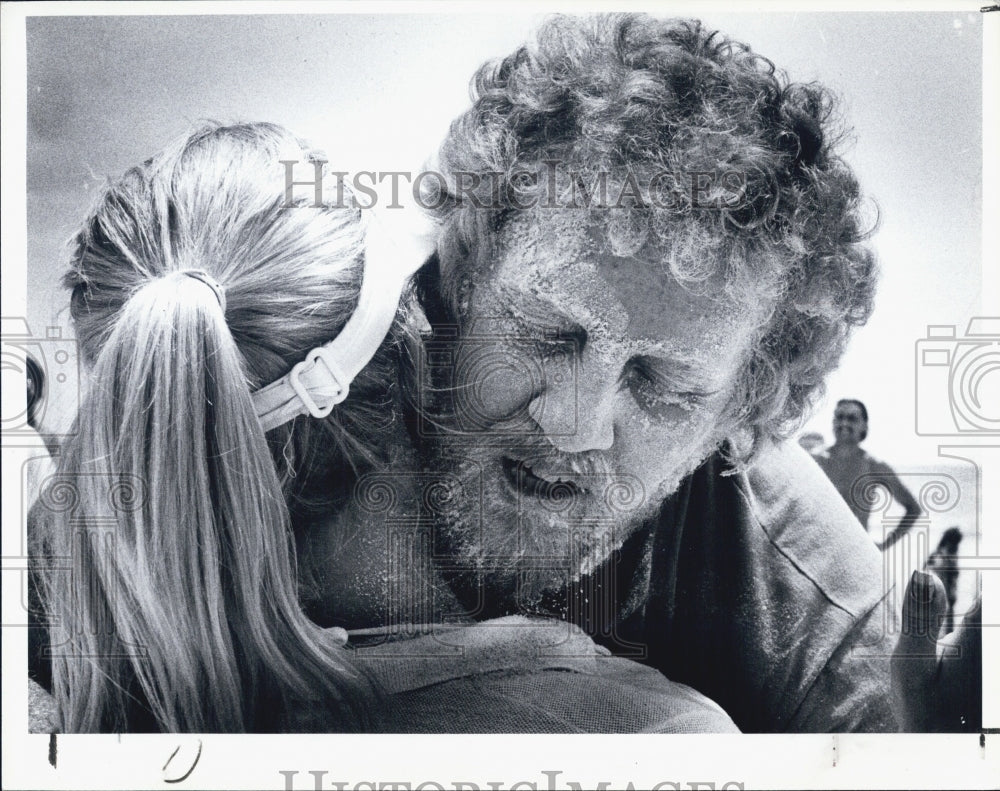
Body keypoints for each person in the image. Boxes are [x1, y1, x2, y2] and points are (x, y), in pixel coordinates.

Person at [29, 121, 740, 734]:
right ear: (415, 335)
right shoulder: (656, 736)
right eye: (547, 331)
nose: (575, 422)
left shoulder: (82, 679)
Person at [395, 13, 978, 732]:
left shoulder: (824, 625)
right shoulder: (293, 397)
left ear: (739, 414)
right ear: (461, 279)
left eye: (660, 384)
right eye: (548, 331)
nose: (574, 424)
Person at [814, 398, 922, 549]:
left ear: (864, 425)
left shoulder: (873, 466)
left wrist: (884, 545)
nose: (844, 423)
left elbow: (913, 509)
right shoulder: (815, 461)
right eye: (839, 417)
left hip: (854, 553)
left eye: (852, 418)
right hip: (814, 552)